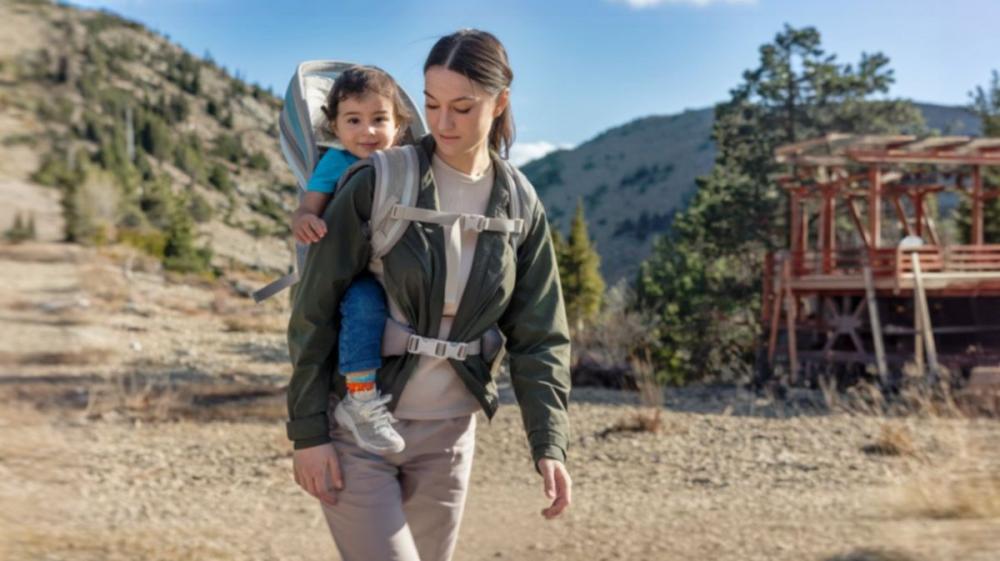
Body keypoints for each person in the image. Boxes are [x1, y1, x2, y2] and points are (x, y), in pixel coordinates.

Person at [286, 29, 573, 561]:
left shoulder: (519, 203)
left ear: (500, 101)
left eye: (462, 108)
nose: (443, 123)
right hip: (358, 431)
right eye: (432, 104)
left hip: (449, 439)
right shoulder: (379, 180)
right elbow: (315, 310)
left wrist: (549, 443)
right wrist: (308, 434)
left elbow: (540, 335)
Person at [290, 65, 412, 455]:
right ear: (335, 127)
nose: (368, 131)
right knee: (363, 304)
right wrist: (306, 220)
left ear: (399, 123)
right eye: (354, 121)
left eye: (380, 120)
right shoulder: (336, 163)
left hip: (396, 264)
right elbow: (306, 208)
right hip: (351, 270)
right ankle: (359, 399)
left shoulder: (407, 164)